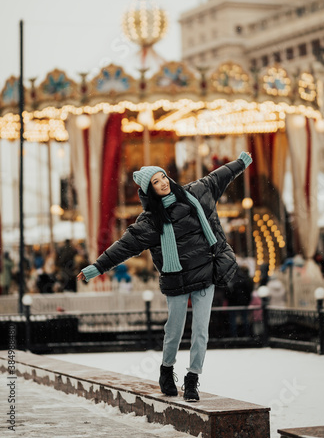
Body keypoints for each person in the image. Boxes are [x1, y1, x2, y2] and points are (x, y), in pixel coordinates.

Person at [77, 151, 253, 401]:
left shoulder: (195, 193)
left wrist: (240, 163)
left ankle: (192, 378)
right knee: (174, 330)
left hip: (206, 273)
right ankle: (167, 370)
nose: (163, 182)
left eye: (163, 177)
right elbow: (123, 247)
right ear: (149, 191)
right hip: (176, 279)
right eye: (156, 182)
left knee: (201, 330)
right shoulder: (150, 222)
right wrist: (96, 268)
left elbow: (218, 177)